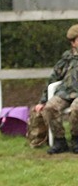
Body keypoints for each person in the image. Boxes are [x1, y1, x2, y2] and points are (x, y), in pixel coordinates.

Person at [33, 23, 78, 154]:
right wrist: (42, 101)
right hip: (65, 92)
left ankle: (76, 139)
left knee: (76, 109)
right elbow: (53, 79)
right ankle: (60, 141)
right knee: (50, 107)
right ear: (73, 43)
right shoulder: (67, 59)